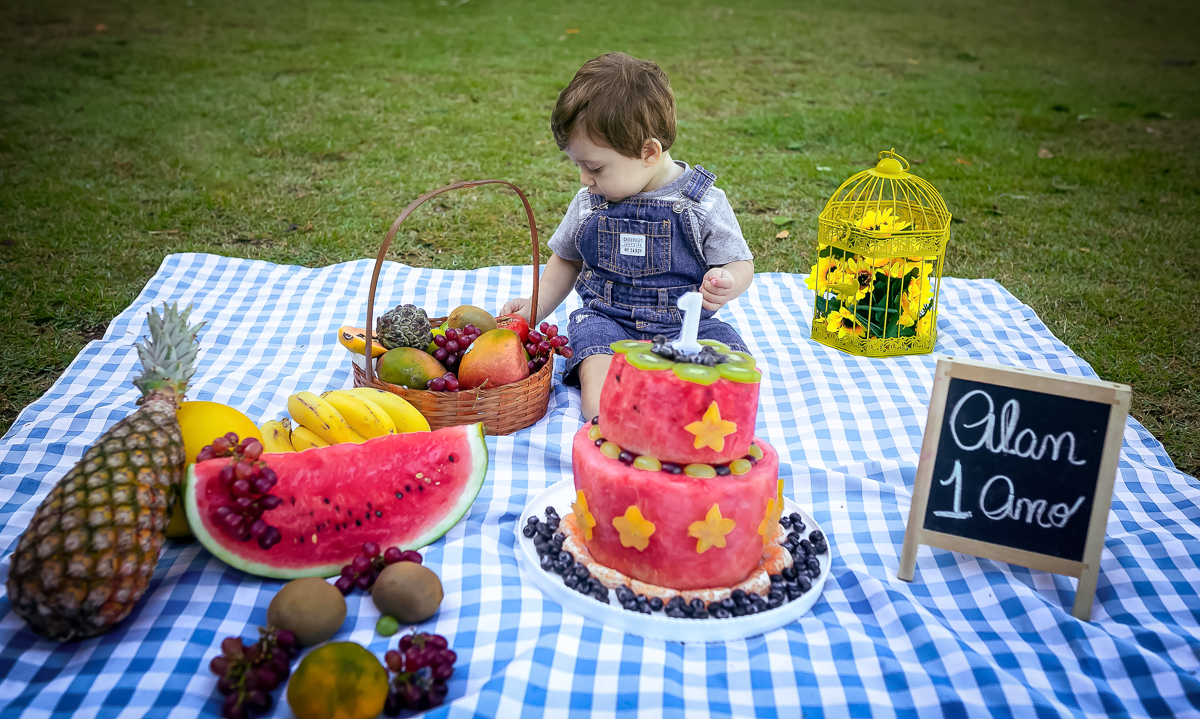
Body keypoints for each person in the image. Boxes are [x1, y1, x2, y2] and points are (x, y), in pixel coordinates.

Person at [502, 52, 754, 421]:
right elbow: (568, 258)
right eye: (579, 167)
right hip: (608, 321)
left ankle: (688, 423)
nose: (585, 179)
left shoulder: (701, 203)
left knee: (730, 380)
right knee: (598, 378)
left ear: (648, 152)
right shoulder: (591, 202)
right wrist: (535, 308)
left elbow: (739, 262)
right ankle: (621, 424)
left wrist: (728, 281)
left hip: (687, 325)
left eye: (594, 167)